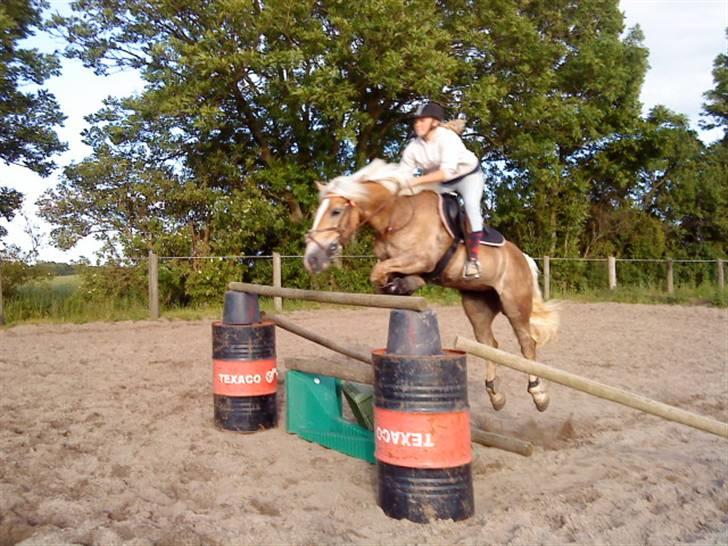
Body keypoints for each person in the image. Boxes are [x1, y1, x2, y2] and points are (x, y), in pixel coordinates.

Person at [399, 101, 485, 279]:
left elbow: (446, 173)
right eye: (416, 121)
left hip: (467, 177)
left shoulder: (447, 138)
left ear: (435, 123)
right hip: (441, 181)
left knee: (471, 207)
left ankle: (474, 261)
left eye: (423, 120)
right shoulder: (413, 147)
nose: (417, 124)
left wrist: (415, 181)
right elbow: (402, 176)